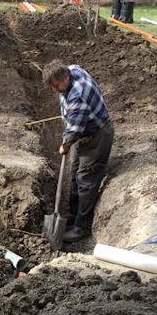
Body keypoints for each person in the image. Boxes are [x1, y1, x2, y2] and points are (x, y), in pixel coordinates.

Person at [42, 59, 114, 244]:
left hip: (97, 136)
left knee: (86, 180)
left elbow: (74, 129)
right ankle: (71, 218)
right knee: (73, 176)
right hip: (85, 133)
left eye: (57, 85)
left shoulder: (77, 95)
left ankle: (81, 228)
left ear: (65, 77)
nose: (55, 90)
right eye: (52, 86)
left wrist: (65, 145)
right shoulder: (72, 70)